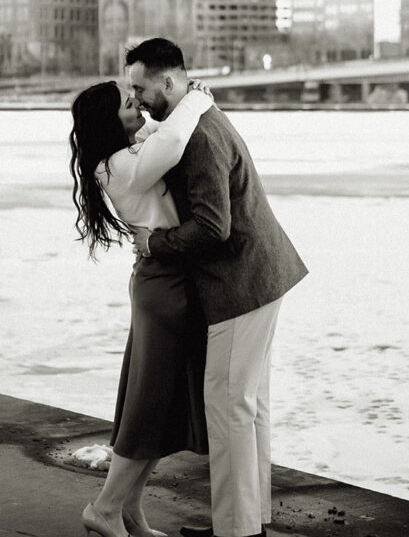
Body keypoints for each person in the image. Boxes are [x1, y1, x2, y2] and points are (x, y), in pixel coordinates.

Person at [127, 38, 308, 537]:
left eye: (141, 89)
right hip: (263, 276)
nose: (138, 99)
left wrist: (154, 243)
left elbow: (212, 227)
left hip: (240, 284)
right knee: (249, 407)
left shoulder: (200, 136)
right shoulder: (199, 115)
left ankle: (236, 531)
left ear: (169, 81)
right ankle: (250, 521)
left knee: (228, 407)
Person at [69, 78, 214, 537]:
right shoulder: (117, 166)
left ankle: (130, 511)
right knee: (148, 405)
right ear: (108, 121)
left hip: (165, 282)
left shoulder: (124, 157)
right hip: (162, 287)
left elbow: (158, 137)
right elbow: (170, 142)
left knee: (157, 404)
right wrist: (198, 100)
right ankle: (105, 508)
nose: (136, 103)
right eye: (126, 103)